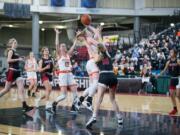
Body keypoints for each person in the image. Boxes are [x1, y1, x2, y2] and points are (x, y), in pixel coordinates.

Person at [86, 44, 123, 129]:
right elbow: (101, 45)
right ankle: (120, 118)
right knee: (113, 99)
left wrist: (85, 39)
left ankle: (94, 117)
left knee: (99, 99)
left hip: (103, 76)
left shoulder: (96, 56)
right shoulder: (108, 55)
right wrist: (98, 33)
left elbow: (89, 49)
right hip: (113, 76)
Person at [0, 38, 33, 112]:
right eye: (14, 43)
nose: (15, 44)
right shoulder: (11, 51)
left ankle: (25, 106)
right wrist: (18, 59)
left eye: (16, 43)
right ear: (11, 44)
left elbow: (16, 60)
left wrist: (21, 58)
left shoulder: (15, 52)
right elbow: (8, 60)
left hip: (17, 72)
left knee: (21, 90)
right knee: (6, 89)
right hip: (12, 71)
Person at [52, 28, 79, 112]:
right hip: (62, 75)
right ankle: (54, 103)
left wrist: (76, 38)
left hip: (69, 74)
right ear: (60, 48)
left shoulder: (68, 54)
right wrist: (57, 34)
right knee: (64, 95)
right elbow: (56, 44)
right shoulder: (59, 55)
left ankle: (73, 107)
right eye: (62, 46)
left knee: (75, 91)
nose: (63, 47)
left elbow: (73, 46)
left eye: (64, 46)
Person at [75, 26, 101, 111]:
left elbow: (96, 34)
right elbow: (100, 44)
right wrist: (88, 26)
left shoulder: (88, 39)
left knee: (92, 86)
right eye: (89, 31)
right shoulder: (89, 38)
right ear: (87, 33)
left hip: (89, 63)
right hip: (93, 62)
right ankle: (89, 100)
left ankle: (80, 100)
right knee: (96, 84)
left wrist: (97, 30)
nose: (91, 32)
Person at [158, 49, 180, 115]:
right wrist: (158, 75)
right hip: (172, 79)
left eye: (172, 52)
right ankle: (175, 109)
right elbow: (164, 70)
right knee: (171, 94)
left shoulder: (178, 61)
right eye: (170, 52)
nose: (170, 53)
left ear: (175, 54)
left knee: (178, 95)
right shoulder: (168, 62)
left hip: (178, 78)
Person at [37, 47, 54, 112]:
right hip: (44, 75)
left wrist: (55, 70)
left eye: (47, 50)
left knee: (49, 91)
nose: (47, 51)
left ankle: (38, 99)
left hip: (50, 75)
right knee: (48, 89)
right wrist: (45, 67)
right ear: (43, 52)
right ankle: (47, 104)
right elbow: (39, 70)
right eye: (45, 50)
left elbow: (53, 68)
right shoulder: (41, 60)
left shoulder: (51, 59)